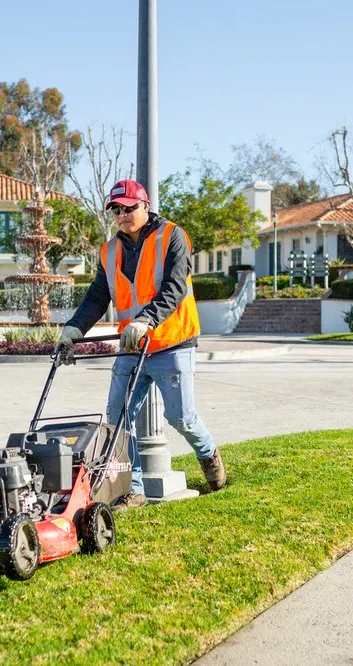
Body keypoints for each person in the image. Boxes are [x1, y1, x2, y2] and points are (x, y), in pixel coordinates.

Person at [58, 179, 226, 510]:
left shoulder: (172, 236)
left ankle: (208, 455)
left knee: (181, 417)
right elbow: (97, 296)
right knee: (118, 418)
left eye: (128, 208)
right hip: (131, 348)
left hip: (171, 342)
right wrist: (74, 328)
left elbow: (175, 287)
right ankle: (132, 489)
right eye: (116, 210)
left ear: (144, 206)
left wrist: (145, 319)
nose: (121, 215)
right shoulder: (109, 251)